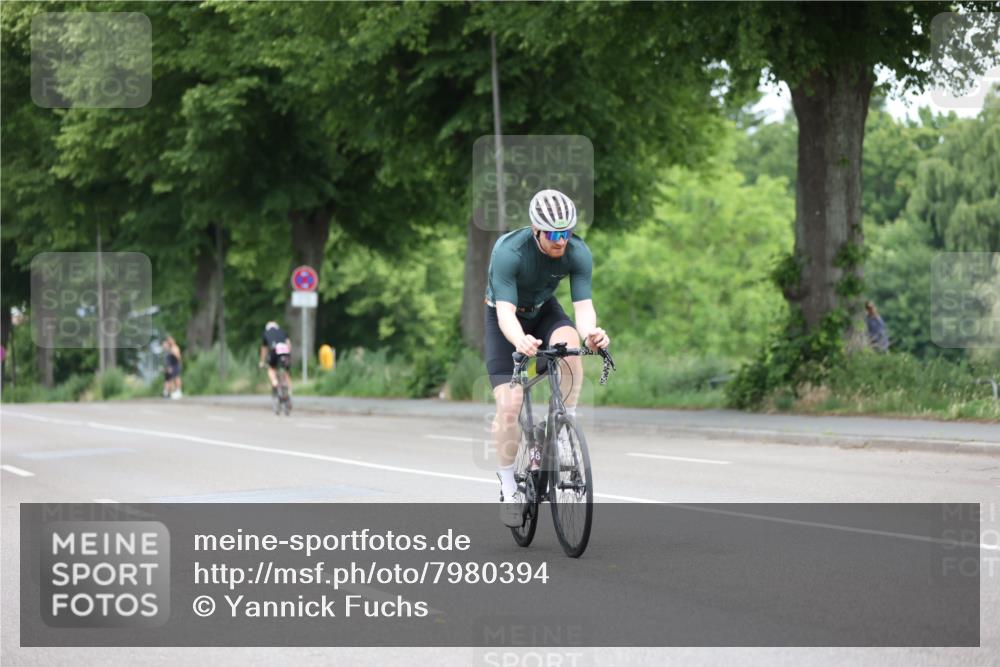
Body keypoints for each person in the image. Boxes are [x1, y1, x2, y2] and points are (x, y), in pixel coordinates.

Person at [484, 189, 610, 527]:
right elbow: (506, 313)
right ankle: (509, 485)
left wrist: (592, 333)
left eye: (567, 232)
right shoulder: (509, 252)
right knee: (510, 406)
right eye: (554, 234)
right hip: (505, 321)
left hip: (544, 311)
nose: (561, 240)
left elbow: (582, 308)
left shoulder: (577, 251)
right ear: (536, 230)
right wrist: (519, 340)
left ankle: (562, 424)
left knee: (570, 350)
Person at [259, 321, 292, 396]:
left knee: (271, 368)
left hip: (275, 351)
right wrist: (289, 355)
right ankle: (289, 392)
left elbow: (264, 349)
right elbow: (289, 344)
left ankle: (275, 382)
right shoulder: (282, 331)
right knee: (286, 371)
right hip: (285, 351)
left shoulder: (266, 332)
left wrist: (262, 361)